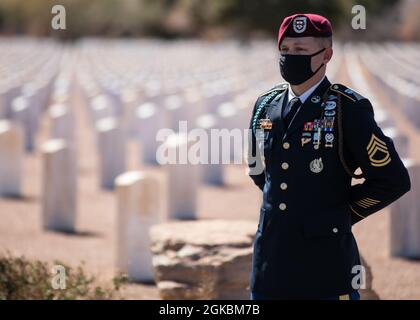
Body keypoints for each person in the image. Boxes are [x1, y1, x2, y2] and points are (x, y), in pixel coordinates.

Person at [247, 13, 411, 300]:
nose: (290, 57)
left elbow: (393, 180)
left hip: (325, 264)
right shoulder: (265, 106)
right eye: (285, 50)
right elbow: (258, 170)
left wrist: (341, 214)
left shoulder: (348, 109)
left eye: (300, 50)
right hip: (269, 263)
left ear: (326, 55)